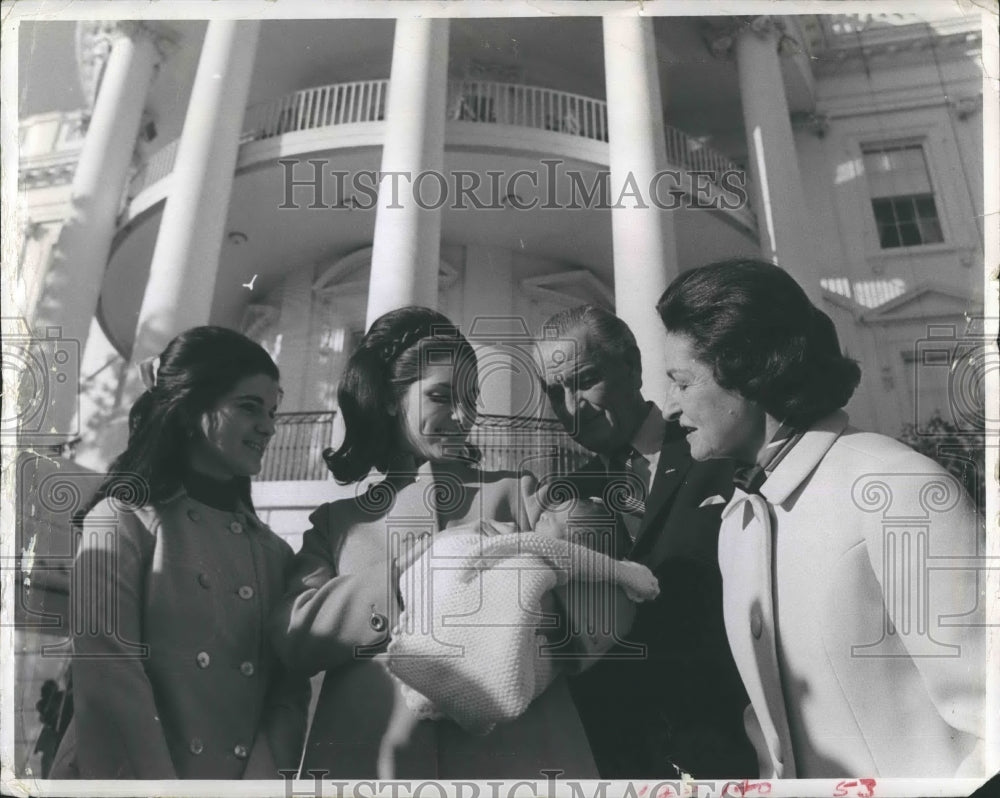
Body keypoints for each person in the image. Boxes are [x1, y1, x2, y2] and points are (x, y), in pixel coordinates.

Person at [657, 258, 985, 778]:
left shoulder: (900, 489)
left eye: (681, 381)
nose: (668, 407)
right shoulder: (738, 520)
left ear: (746, 369)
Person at [269, 306, 600, 779]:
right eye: (441, 396)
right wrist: (398, 586)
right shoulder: (336, 522)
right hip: (373, 765)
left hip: (518, 760)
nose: (463, 415)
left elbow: (587, 611)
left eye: (471, 397)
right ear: (389, 398)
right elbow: (293, 638)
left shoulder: (518, 493)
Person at [50, 327, 310, 779]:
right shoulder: (119, 521)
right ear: (191, 410)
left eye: (272, 410)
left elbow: (287, 695)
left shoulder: (276, 555)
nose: (268, 426)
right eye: (248, 407)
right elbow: (110, 686)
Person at [535, 305, 758, 778]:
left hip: (735, 755)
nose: (573, 407)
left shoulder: (718, 454)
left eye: (586, 379)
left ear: (633, 365)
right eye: (556, 392)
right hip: (619, 765)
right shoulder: (561, 500)